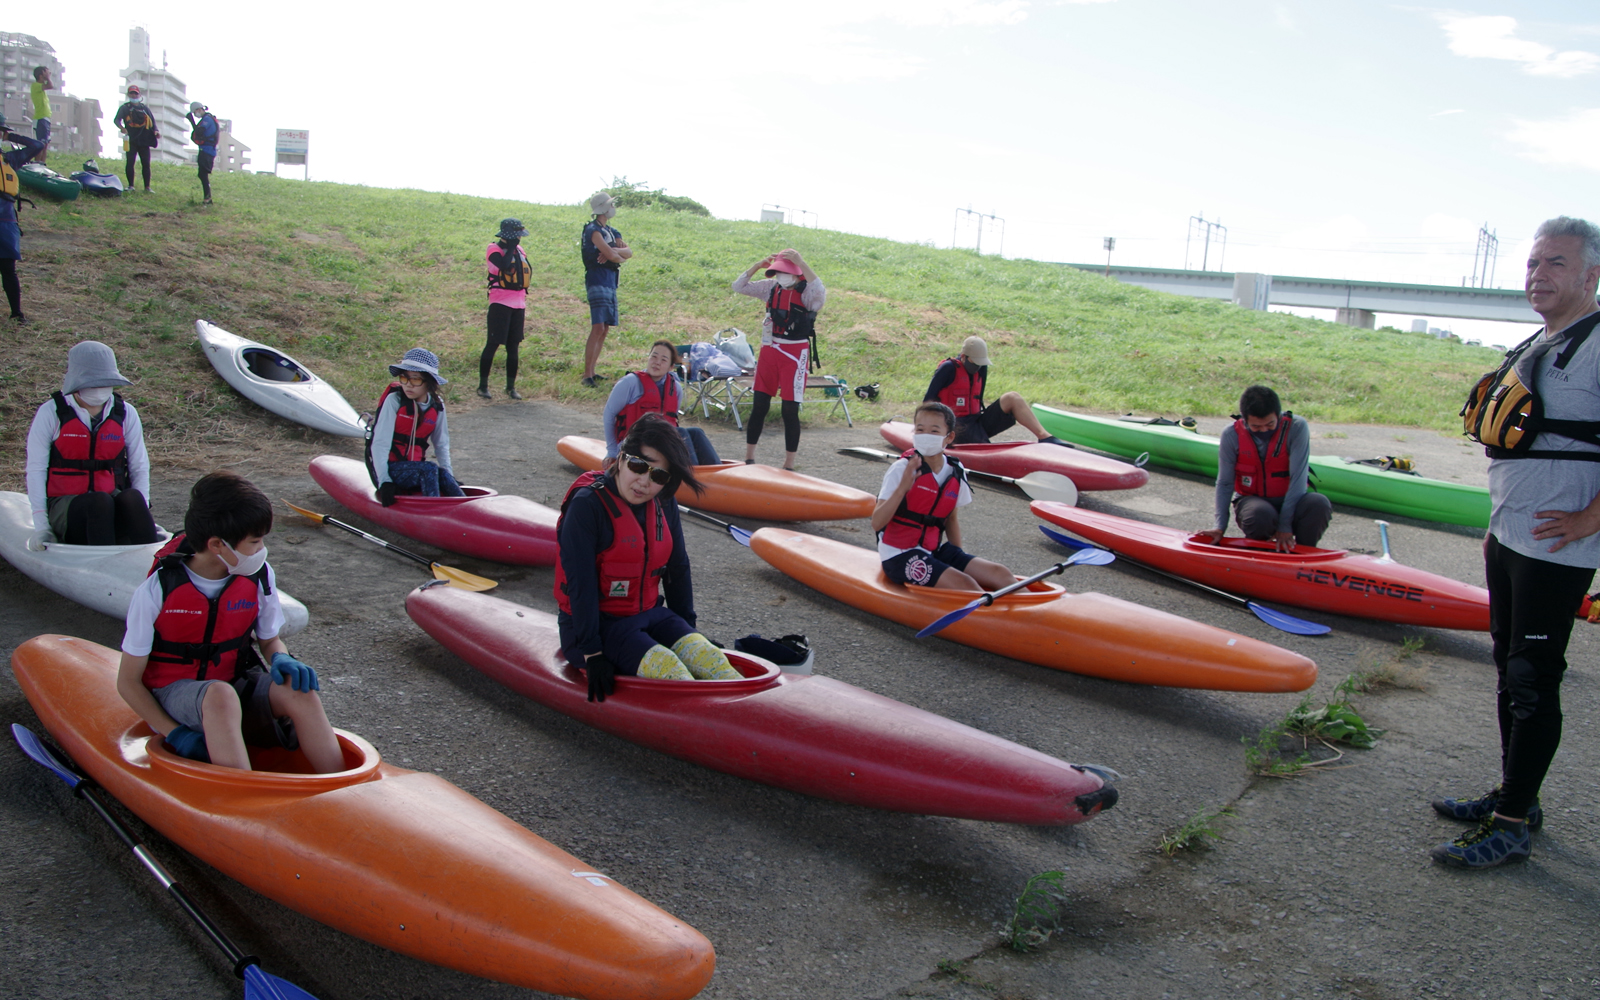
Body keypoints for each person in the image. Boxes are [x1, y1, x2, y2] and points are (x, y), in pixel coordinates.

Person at [1431, 216, 1600, 869]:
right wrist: (1499, 522)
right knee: (1509, 669)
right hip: (1510, 535)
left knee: (1532, 678)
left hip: (1555, 548)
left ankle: (1510, 827)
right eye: (1533, 264)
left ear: (1590, 276)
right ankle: (1515, 795)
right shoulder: (1546, 335)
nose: (1538, 275)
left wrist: (1590, 519)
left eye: (1555, 264)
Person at [116, 471, 344, 773]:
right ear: (217, 545)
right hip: (175, 696)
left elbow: (269, 639)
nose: (262, 550)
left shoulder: (259, 575)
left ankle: (342, 789)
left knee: (298, 690)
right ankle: (244, 799)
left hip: (230, 686)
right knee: (220, 697)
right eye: (255, 541)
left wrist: (280, 658)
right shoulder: (158, 589)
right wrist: (175, 733)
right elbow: (127, 682)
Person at [555, 413, 741, 702]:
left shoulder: (664, 504)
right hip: (601, 626)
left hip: (649, 615)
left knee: (711, 661)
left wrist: (689, 634)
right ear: (621, 458)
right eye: (639, 466)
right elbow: (581, 585)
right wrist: (592, 653)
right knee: (672, 672)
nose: (644, 481)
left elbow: (678, 569)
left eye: (658, 475)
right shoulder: (587, 507)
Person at [871, 401, 1017, 591]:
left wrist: (959, 559)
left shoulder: (955, 471)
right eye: (920, 430)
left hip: (933, 550)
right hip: (898, 555)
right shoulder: (901, 469)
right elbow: (877, 522)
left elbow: (951, 518)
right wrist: (902, 488)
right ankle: (992, 616)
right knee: (965, 584)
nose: (925, 436)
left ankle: (1034, 613)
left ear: (949, 437)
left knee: (1001, 573)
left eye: (934, 431)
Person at [25, 341, 158, 548]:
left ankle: (154, 560)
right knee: (99, 502)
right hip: (67, 506)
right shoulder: (50, 413)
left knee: (132, 497)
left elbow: (139, 466)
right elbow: (36, 470)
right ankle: (101, 568)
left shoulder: (126, 413)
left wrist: (143, 512)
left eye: (104, 383)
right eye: (92, 384)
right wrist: (42, 527)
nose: (98, 390)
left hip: (108, 500)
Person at [1198, 385, 1332, 553]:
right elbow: (1225, 483)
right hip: (1253, 502)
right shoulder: (1231, 434)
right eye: (1256, 426)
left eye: (1270, 424)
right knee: (1259, 513)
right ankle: (1260, 552)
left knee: (1319, 503)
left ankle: (1303, 553)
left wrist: (1285, 526)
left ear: (1279, 415)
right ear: (1244, 420)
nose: (1263, 430)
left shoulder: (1297, 427)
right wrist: (1219, 527)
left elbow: (1298, 478)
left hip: (1292, 500)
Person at [732, 249, 825, 469]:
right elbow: (739, 286)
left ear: (796, 273)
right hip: (769, 349)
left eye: (787, 272)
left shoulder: (807, 293)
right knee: (760, 404)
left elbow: (820, 293)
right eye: (779, 272)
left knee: (789, 409)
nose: (782, 277)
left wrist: (801, 262)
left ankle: (789, 464)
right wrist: (756, 266)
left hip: (795, 354)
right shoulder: (770, 288)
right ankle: (749, 457)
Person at [923, 336, 1072, 448]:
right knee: (982, 445)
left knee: (1012, 397)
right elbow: (928, 401)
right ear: (964, 357)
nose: (979, 367)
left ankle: (1045, 437)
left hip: (975, 422)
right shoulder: (948, 368)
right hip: (955, 425)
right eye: (976, 362)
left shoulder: (981, 368)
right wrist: (931, 434)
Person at [366, 348, 463, 505]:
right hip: (390, 469)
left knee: (443, 474)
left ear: (430, 383)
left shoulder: (437, 405)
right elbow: (380, 444)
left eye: (416, 380)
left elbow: (441, 444)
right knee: (429, 469)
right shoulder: (394, 401)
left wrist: (449, 478)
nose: (408, 385)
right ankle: (433, 511)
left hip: (416, 469)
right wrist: (385, 481)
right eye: (404, 378)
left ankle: (464, 507)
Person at [603, 340, 721, 465]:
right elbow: (608, 415)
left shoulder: (675, 388)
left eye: (663, 360)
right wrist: (611, 451)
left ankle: (715, 470)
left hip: (661, 443)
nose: (657, 362)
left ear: (671, 367)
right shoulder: (630, 383)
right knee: (680, 433)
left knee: (696, 432)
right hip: (633, 444)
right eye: (654, 357)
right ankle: (690, 472)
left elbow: (672, 418)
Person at [581, 192, 630, 388]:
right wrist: (613, 254)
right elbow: (612, 254)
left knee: (605, 327)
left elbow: (626, 253)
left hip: (610, 280)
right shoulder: (593, 230)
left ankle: (592, 370)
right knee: (598, 327)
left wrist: (614, 253)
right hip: (597, 279)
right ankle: (587, 374)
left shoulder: (611, 230)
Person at [1, 113, 45, 322]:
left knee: (8, 268)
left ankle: (16, 313)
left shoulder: (9, 159)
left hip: (7, 220)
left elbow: (36, 145)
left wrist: (10, 137)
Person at [480, 218, 530, 399]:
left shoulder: (520, 250)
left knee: (513, 346)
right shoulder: (493, 249)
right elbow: (504, 266)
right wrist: (509, 248)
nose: (519, 239)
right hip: (500, 303)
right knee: (493, 344)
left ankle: (510, 387)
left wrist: (514, 247)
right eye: (516, 236)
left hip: (518, 303)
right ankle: (483, 386)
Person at [113, 86, 159, 194]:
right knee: (130, 162)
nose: (134, 96)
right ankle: (130, 185)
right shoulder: (125, 108)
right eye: (132, 94)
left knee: (146, 164)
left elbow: (153, 122)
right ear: (128, 95)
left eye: (136, 94)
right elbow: (116, 120)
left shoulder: (145, 108)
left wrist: (156, 131)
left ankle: (147, 187)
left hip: (144, 140)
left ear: (139, 95)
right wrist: (122, 128)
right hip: (131, 139)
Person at [185, 101, 219, 204]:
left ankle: (207, 198)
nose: (196, 115)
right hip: (206, 150)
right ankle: (207, 197)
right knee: (202, 174)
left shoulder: (207, 119)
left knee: (203, 174)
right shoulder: (208, 119)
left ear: (199, 109)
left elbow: (199, 132)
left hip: (207, 150)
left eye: (195, 112)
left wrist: (192, 122)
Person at [29, 66, 53, 164]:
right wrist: (47, 78)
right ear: (40, 75)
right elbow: (50, 85)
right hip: (40, 119)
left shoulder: (41, 89)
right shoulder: (35, 86)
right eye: (46, 73)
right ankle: (37, 163)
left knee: (46, 144)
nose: (49, 75)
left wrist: (47, 77)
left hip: (46, 119)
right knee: (41, 144)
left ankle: (42, 164)